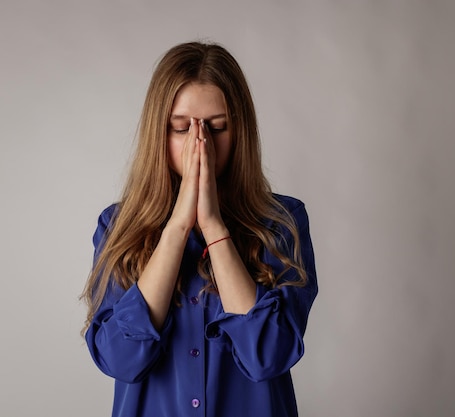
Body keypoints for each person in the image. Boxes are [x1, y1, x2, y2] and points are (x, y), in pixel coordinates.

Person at [81, 41, 318, 417]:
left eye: (217, 127)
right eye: (181, 128)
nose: (200, 142)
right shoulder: (117, 226)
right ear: (159, 134)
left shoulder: (282, 222)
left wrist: (213, 227)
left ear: (239, 131)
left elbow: (268, 356)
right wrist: (177, 228)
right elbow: (120, 360)